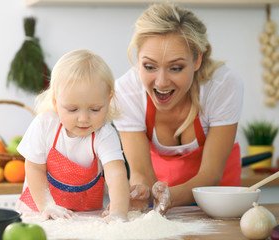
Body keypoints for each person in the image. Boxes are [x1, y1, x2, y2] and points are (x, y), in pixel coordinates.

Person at [113, 2, 243, 215]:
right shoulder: (126, 92)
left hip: (221, 207)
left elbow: (211, 173)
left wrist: (168, 197)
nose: (161, 82)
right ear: (138, 58)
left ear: (197, 60)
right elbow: (140, 172)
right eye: (149, 67)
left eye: (176, 68)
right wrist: (142, 193)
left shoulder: (222, 85)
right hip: (163, 207)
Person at [15, 49, 129, 222]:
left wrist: (118, 213)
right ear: (55, 101)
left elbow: (116, 174)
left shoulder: (104, 133)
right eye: (73, 109)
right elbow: (34, 168)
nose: (84, 119)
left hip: (85, 216)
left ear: (109, 99)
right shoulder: (45, 124)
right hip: (40, 212)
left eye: (95, 109)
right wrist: (47, 206)